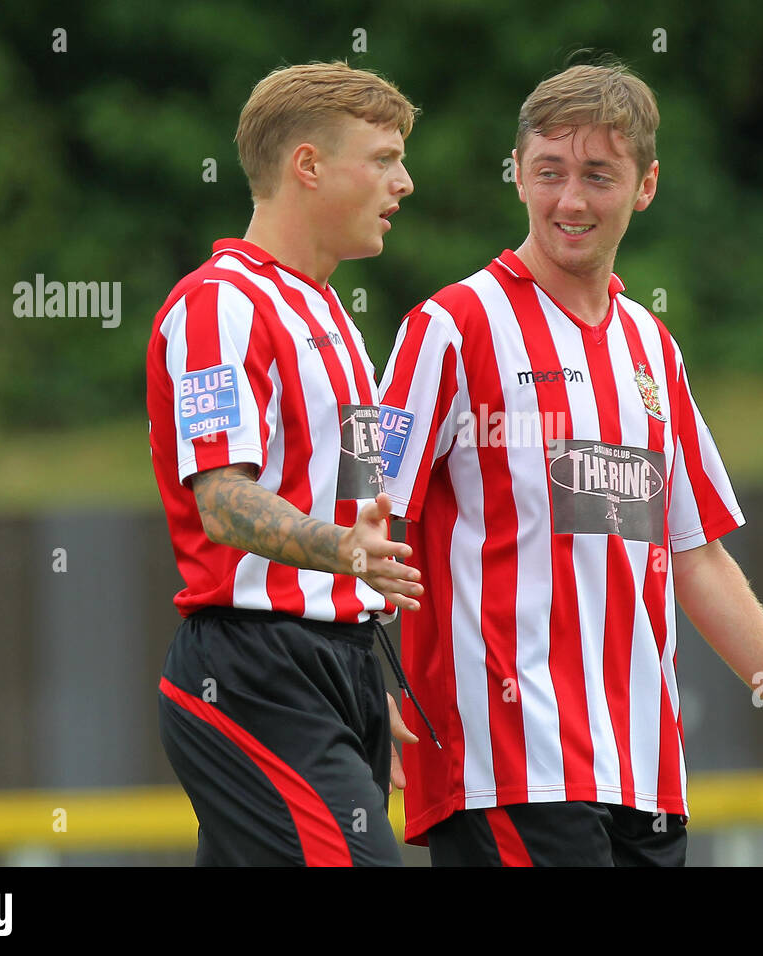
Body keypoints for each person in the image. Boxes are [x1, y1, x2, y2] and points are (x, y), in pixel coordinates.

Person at [376, 61, 763, 866]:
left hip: (645, 776)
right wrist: (360, 687)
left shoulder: (651, 348)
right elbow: (360, 515)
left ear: (646, 185)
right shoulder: (450, 325)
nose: (570, 200)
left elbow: (695, 555)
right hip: (508, 769)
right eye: (548, 172)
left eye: (598, 176)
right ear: (516, 174)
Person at [146, 61, 427, 866]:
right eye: (383, 158)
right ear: (308, 165)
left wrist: (361, 644)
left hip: (334, 666)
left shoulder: (337, 314)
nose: (403, 182)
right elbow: (225, 504)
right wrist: (346, 560)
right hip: (253, 671)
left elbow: (358, 513)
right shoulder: (219, 304)